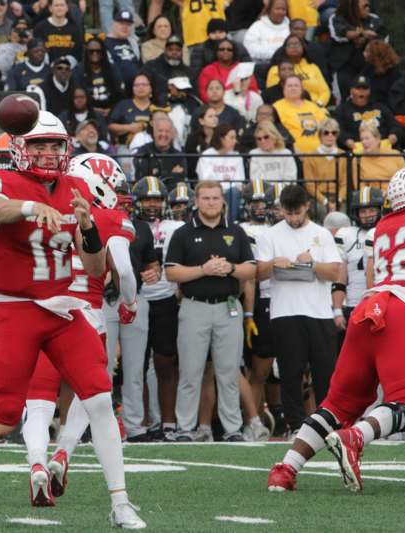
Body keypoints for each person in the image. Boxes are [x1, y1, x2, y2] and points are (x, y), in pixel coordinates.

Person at [0, 111, 146, 529]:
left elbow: (93, 263)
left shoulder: (76, 187)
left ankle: (120, 503)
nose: (48, 153)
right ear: (20, 149)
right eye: (39, 145)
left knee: (100, 400)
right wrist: (31, 207)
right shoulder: (1, 179)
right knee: (3, 418)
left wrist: (88, 228)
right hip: (16, 310)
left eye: (55, 145)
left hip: (64, 310)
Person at [267, 166, 405, 492]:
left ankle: (286, 468)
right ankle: (356, 437)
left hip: (367, 310)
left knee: (338, 403)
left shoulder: (384, 226)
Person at [22, 153, 139, 496]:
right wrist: (129, 302)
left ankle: (36, 462)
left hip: (43, 312)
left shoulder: (48, 212)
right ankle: (64, 451)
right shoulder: (109, 218)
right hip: (87, 317)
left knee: (39, 398)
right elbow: (125, 270)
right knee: (92, 397)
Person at [166, 180, 256, 442]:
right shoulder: (183, 233)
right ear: (196, 201)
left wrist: (229, 268)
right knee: (190, 372)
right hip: (194, 306)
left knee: (229, 372)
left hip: (228, 306)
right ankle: (185, 428)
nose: (211, 203)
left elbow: (251, 270)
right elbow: (171, 272)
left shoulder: (236, 232)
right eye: (205, 198)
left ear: (223, 201)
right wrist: (203, 270)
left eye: (215, 198)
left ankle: (232, 429)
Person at [256, 184, 341, 435]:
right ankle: (295, 425)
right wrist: (273, 263)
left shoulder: (321, 234)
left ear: (306, 207)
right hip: (284, 311)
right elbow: (258, 274)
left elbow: (334, 272)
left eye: (297, 213)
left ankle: (327, 423)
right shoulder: (269, 235)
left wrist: (312, 264)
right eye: (288, 213)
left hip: (319, 312)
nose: (292, 218)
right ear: (281, 209)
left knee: (324, 371)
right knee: (290, 371)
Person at [127, 176, 182, 442]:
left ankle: (168, 422)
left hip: (165, 299)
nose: (151, 204)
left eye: (156, 199)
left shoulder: (176, 227)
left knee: (165, 362)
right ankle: (145, 421)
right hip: (135, 298)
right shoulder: (129, 226)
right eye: (147, 199)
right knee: (136, 365)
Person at [239, 179, 277, 433]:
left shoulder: (279, 229)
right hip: (248, 300)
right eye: (254, 202)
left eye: (263, 202)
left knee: (265, 369)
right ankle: (250, 420)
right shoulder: (239, 230)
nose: (259, 207)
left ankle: (262, 416)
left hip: (275, 298)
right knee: (250, 366)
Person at [332, 186, 383, 343]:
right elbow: (340, 277)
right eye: (363, 211)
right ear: (356, 213)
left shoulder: (387, 231)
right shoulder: (346, 235)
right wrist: (338, 310)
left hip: (380, 304)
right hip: (354, 304)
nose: (367, 215)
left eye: (371, 210)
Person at [328, 0, 387, 97]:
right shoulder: (337, 17)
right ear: (353, 6)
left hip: (369, 65)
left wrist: (366, 40)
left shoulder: (374, 18)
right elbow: (339, 35)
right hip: (344, 65)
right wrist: (361, 34)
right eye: (365, 6)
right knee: (344, 96)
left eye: (369, 5)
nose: (368, 8)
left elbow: (383, 38)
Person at [334, 75, 399, 152]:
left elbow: (394, 124)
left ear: (369, 91)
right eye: (358, 88)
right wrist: (346, 140)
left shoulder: (381, 107)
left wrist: (394, 135)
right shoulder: (342, 110)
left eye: (365, 88)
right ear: (351, 90)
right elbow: (338, 130)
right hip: (356, 151)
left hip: (383, 149)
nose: (361, 91)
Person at [196, 123, 245, 222]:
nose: (235, 141)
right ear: (221, 138)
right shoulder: (207, 155)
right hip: (212, 192)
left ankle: (230, 224)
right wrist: (225, 181)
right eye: (231, 137)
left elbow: (240, 183)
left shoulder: (237, 157)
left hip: (232, 193)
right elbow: (205, 181)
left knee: (234, 192)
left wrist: (223, 182)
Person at [266, 34, 331, 108]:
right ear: (284, 49)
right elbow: (273, 94)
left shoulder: (313, 67)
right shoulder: (276, 69)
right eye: (290, 44)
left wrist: (318, 105)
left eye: (297, 44)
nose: (294, 46)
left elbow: (325, 91)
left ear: (303, 47)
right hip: (288, 108)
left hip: (316, 107)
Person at [302, 118, 348, 212]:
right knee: (322, 212)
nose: (330, 135)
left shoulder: (344, 156)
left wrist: (338, 200)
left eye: (334, 133)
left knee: (342, 216)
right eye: (326, 132)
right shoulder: (310, 157)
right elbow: (310, 185)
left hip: (339, 197)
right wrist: (325, 201)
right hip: (318, 197)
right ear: (320, 135)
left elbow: (345, 183)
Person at [273, 75, 329, 153]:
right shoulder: (276, 107)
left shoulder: (313, 106)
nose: (293, 88)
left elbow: (328, 127)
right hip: (294, 154)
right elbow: (276, 134)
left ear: (302, 89)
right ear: (284, 89)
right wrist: (294, 151)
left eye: (296, 85)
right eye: (289, 86)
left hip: (320, 153)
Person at [71, 36, 124, 116]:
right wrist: (92, 109)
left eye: (98, 51)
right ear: (86, 52)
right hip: (87, 112)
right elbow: (76, 95)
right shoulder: (78, 70)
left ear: (103, 52)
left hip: (112, 111)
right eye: (91, 51)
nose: (95, 53)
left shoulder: (112, 69)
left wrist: (111, 109)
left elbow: (120, 94)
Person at [132, 114, 187, 186]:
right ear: (154, 132)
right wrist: (171, 174)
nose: (163, 134)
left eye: (167, 131)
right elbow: (142, 179)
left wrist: (157, 174)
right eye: (160, 130)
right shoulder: (143, 151)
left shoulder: (179, 156)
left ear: (172, 134)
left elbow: (179, 181)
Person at [198, 38, 258, 103]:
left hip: (242, 105)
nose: (225, 51)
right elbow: (204, 94)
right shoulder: (208, 70)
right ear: (216, 52)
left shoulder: (244, 69)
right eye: (221, 49)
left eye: (229, 50)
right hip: (216, 106)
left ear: (234, 52)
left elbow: (253, 91)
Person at [143, 35, 195, 107]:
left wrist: (181, 95)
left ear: (182, 52)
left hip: (183, 108)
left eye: (178, 50)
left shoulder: (188, 71)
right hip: (157, 108)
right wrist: (167, 90)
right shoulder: (151, 67)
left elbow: (193, 95)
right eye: (170, 49)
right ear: (165, 50)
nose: (174, 52)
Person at [352, 124, 405, 190]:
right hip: (373, 197)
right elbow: (359, 187)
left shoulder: (395, 154)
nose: (364, 142)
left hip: (397, 194)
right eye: (362, 139)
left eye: (367, 138)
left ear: (378, 139)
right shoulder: (357, 159)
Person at [107, 74, 154, 147]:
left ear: (151, 88)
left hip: (152, 148)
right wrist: (129, 127)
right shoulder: (123, 105)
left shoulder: (157, 107)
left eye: (144, 84)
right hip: (126, 147)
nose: (140, 87)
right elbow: (111, 126)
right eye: (137, 85)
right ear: (132, 88)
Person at [33, 0, 83, 64]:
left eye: (62, 5)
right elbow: (37, 51)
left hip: (69, 68)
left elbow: (78, 52)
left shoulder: (74, 29)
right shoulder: (40, 28)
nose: (59, 8)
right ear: (50, 8)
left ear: (67, 8)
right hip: (46, 68)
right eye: (56, 5)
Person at [103, 10, 141, 92]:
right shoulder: (104, 44)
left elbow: (138, 64)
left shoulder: (133, 43)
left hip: (136, 89)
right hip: (116, 90)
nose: (125, 27)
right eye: (121, 23)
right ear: (113, 24)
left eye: (128, 24)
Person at [243, 0, 290, 65]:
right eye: (277, 9)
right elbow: (250, 49)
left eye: (283, 9)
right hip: (262, 64)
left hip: (286, 65)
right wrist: (276, 54)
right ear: (269, 10)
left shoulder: (290, 27)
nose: (280, 12)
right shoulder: (257, 26)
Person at [359, 39, 401, 106]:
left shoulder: (394, 73)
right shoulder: (367, 69)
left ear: (375, 54)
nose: (364, 54)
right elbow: (360, 83)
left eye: (367, 51)